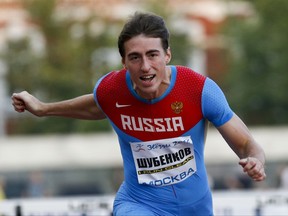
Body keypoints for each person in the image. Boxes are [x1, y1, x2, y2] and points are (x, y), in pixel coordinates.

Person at [11, 12, 266, 216]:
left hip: (196, 207)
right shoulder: (112, 90)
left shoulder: (198, 90)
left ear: (167, 55)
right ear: (124, 62)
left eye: (152, 55)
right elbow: (95, 105)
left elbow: (246, 144)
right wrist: (43, 109)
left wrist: (255, 160)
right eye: (135, 57)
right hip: (139, 204)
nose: (145, 66)